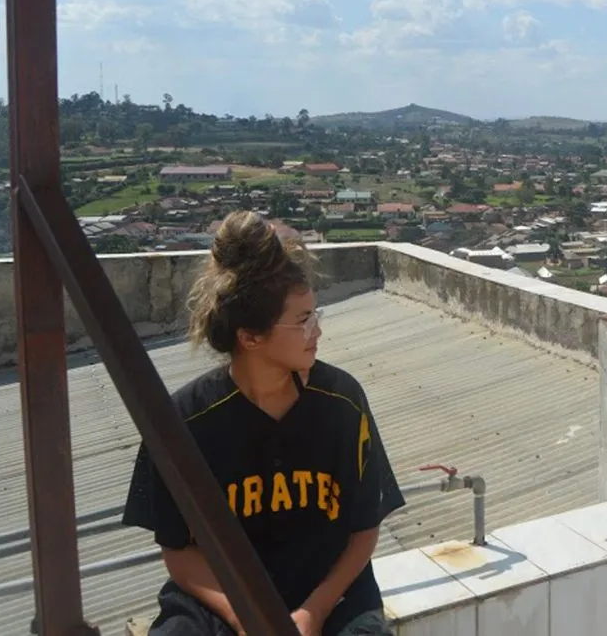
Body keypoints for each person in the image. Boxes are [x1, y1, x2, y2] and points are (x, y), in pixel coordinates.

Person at [122, 210, 405, 636]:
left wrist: (313, 611)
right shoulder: (186, 421)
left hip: (330, 592)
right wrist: (245, 617)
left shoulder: (342, 403)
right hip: (221, 601)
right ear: (249, 337)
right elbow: (178, 552)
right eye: (302, 320)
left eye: (316, 315)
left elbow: (364, 529)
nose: (317, 333)